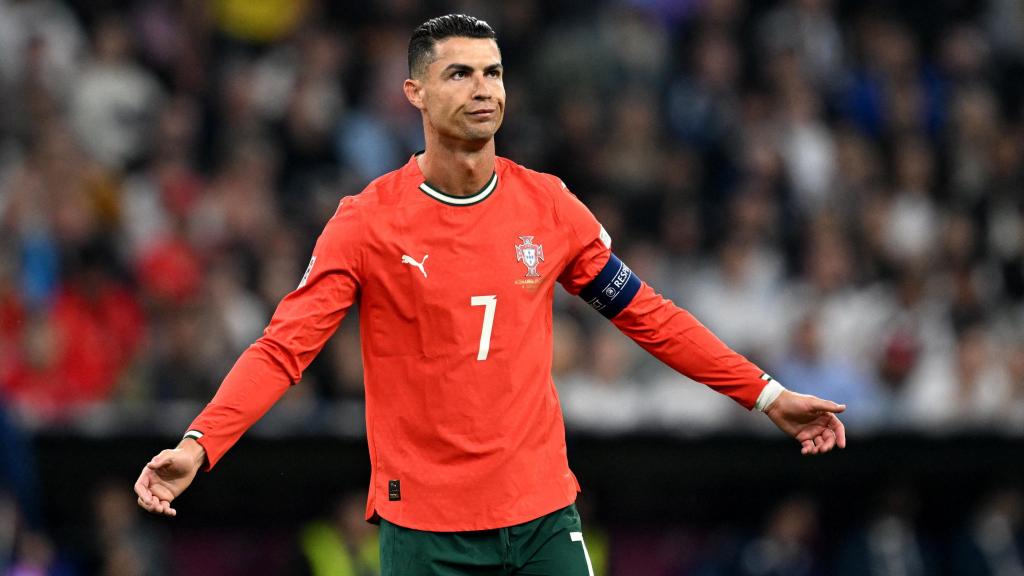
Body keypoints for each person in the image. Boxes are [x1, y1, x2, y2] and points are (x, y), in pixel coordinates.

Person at [135, 14, 847, 576]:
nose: (483, 89)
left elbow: (648, 316)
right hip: (425, 531)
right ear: (414, 91)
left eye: (493, 73)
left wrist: (765, 394)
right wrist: (202, 443)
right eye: (459, 74)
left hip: (541, 516)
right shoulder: (367, 223)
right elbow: (283, 348)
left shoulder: (549, 206)